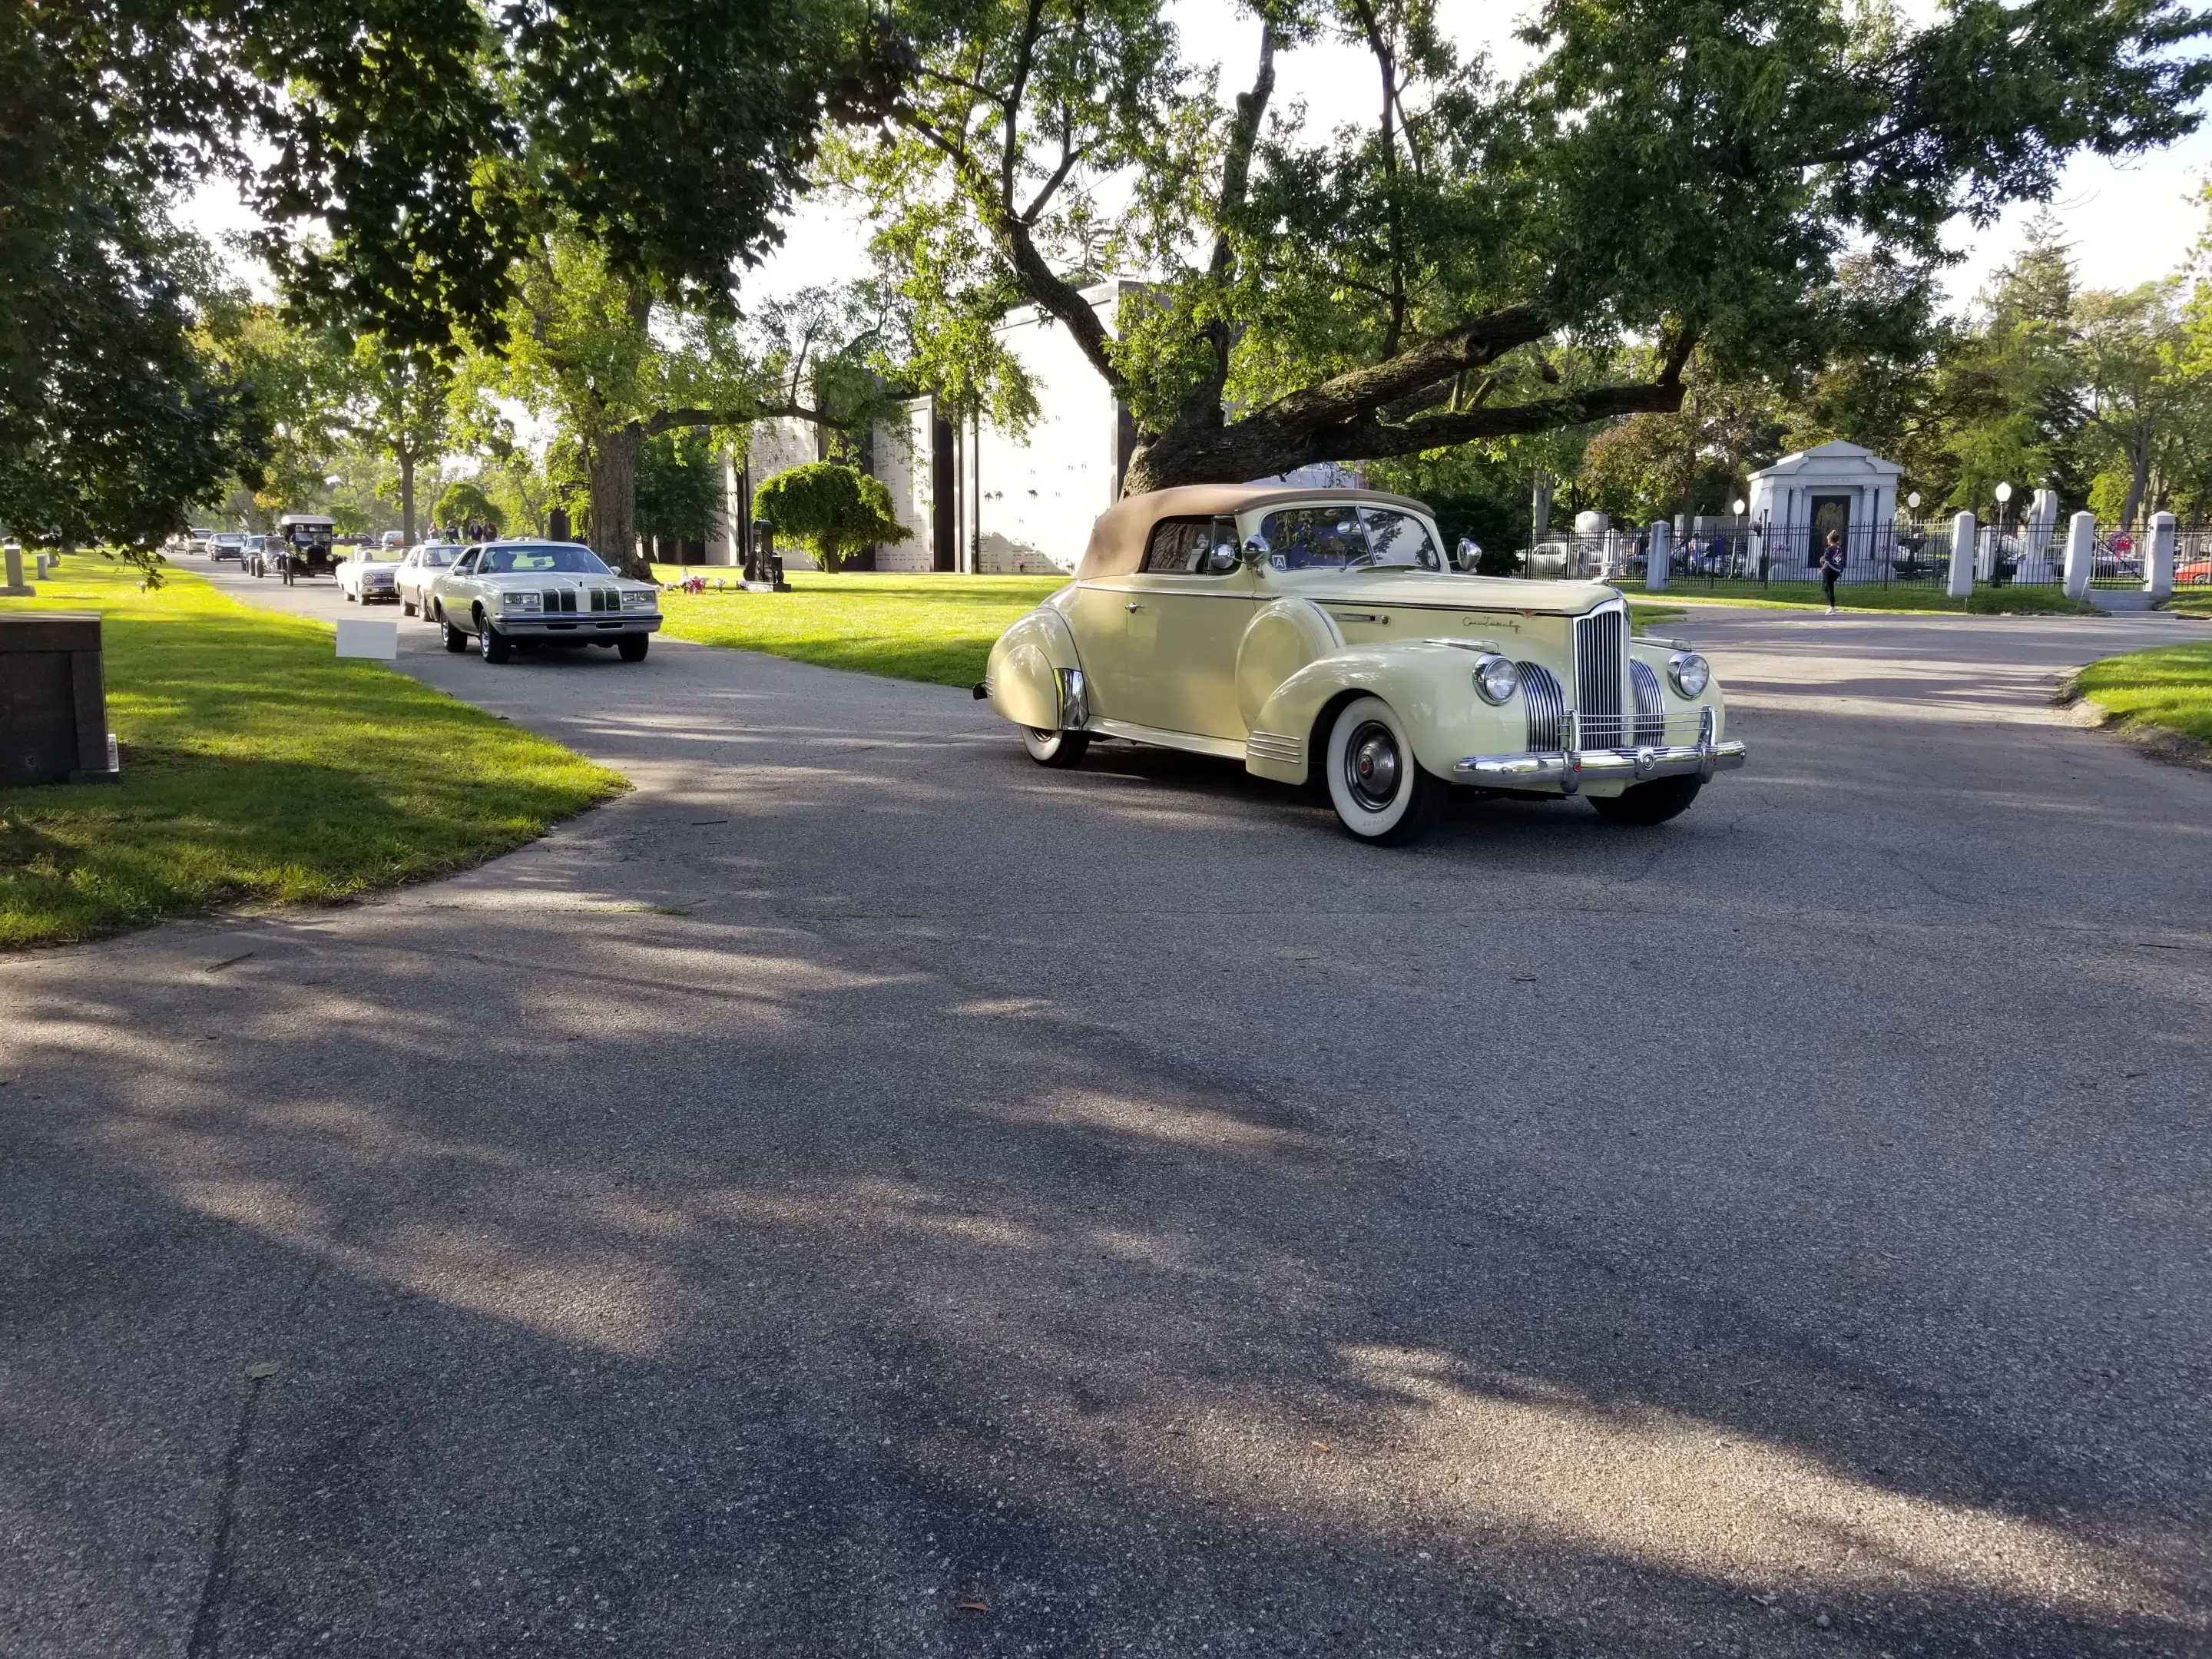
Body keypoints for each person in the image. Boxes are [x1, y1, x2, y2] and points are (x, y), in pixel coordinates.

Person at [1819, 529, 1846, 612]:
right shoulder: (1840, 549)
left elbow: (1827, 561)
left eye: (1828, 539)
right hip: (1836, 571)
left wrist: (1822, 569)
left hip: (1829, 571)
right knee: (1827, 588)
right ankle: (1832, 606)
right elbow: (1841, 560)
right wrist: (1840, 571)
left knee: (1829, 588)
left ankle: (1832, 607)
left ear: (1830, 539)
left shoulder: (1829, 549)